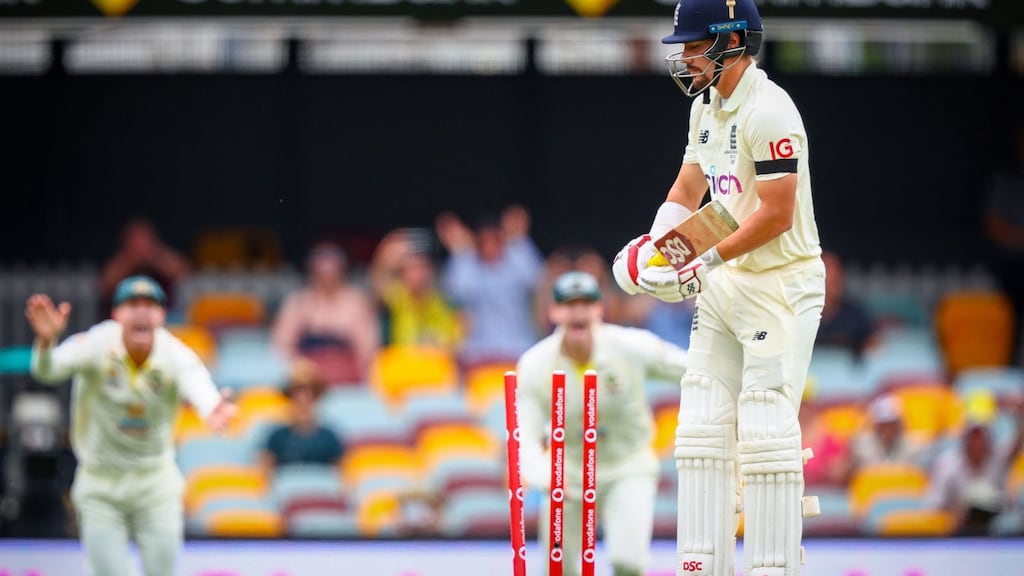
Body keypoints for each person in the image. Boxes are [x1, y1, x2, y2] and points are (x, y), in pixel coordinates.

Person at [611, 2, 826, 574]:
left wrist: (699, 262)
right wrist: (657, 249)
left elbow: (776, 215)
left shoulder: (771, 111)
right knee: (702, 427)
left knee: (764, 432)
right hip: (728, 274)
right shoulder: (707, 106)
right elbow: (693, 186)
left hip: (781, 285)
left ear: (731, 41)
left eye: (692, 44)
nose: (683, 56)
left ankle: (773, 569)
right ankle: (702, 568)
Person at [24, 275, 235, 576]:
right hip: (100, 484)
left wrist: (212, 407)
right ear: (116, 314)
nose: (141, 312)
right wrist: (46, 343)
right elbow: (48, 371)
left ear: (162, 316)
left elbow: (197, 382)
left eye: (150, 305)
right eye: (132, 304)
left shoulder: (173, 353)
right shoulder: (96, 344)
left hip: (155, 484)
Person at [516, 271, 689, 576]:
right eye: (569, 304)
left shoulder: (631, 345)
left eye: (586, 303)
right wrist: (544, 476)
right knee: (558, 569)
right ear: (554, 311)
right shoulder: (534, 364)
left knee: (628, 562)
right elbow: (525, 435)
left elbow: (689, 369)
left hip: (628, 466)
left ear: (599, 309)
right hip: (567, 471)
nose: (578, 311)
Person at [436, 205, 544, 367]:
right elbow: (455, 290)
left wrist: (518, 239)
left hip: (518, 349)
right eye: (484, 241)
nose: (490, 245)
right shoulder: (468, 265)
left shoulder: (517, 261)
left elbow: (536, 279)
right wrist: (461, 250)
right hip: (478, 352)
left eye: (495, 239)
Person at [271, 242, 380, 382]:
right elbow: (281, 346)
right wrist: (299, 368)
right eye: (322, 272)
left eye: (332, 271)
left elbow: (368, 350)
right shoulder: (298, 303)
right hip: (308, 381)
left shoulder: (356, 303)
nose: (327, 277)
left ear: (342, 271)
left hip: (347, 379)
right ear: (312, 272)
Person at [925, 391, 1024, 536]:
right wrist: (955, 513)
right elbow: (933, 507)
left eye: (981, 435)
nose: (977, 442)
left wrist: (1019, 415)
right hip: (959, 531)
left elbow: (1016, 444)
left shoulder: (999, 457)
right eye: (973, 435)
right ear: (965, 438)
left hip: (998, 528)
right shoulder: (947, 465)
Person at [368, 228, 462, 351]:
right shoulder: (398, 295)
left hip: (435, 363)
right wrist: (387, 251)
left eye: (422, 268)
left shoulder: (442, 300)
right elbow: (378, 281)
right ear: (403, 272)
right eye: (412, 269)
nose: (418, 275)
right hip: (402, 363)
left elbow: (458, 331)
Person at [258, 357, 344, 478]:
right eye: (297, 394)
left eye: (310, 394)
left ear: (316, 398)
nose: (303, 400)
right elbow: (264, 474)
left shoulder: (330, 437)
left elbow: (339, 477)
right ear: (290, 398)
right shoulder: (276, 437)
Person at [99, 218, 191, 314]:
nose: (140, 246)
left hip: (166, 317)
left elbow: (185, 273)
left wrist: (154, 255)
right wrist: (129, 260)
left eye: (144, 240)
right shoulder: (120, 263)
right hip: (125, 317)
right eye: (135, 241)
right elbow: (104, 286)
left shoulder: (160, 258)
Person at [816, 251, 875, 358]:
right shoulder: (799, 314)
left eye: (835, 281)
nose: (831, 288)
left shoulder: (854, 314)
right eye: (827, 283)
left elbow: (873, 343)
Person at [849, 394, 925, 471]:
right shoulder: (862, 446)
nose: (887, 429)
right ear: (875, 425)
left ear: (899, 424)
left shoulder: (914, 447)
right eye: (882, 425)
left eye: (891, 424)